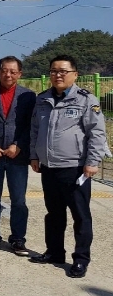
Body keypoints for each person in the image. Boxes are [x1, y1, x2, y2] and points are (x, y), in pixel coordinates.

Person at [29, 55, 107, 278]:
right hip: (49, 167)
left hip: (75, 168)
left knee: (80, 216)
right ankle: (54, 252)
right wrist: (34, 156)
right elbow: (35, 130)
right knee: (54, 214)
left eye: (63, 71)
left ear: (75, 74)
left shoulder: (86, 100)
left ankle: (81, 259)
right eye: (54, 71)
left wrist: (92, 162)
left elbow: (97, 133)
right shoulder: (42, 99)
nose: (58, 75)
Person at [0, 56, 35, 256]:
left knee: (18, 199)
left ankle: (18, 239)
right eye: (4, 70)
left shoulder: (28, 96)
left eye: (12, 71)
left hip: (16, 156)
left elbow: (31, 125)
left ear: (19, 74)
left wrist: (18, 145)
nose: (8, 74)